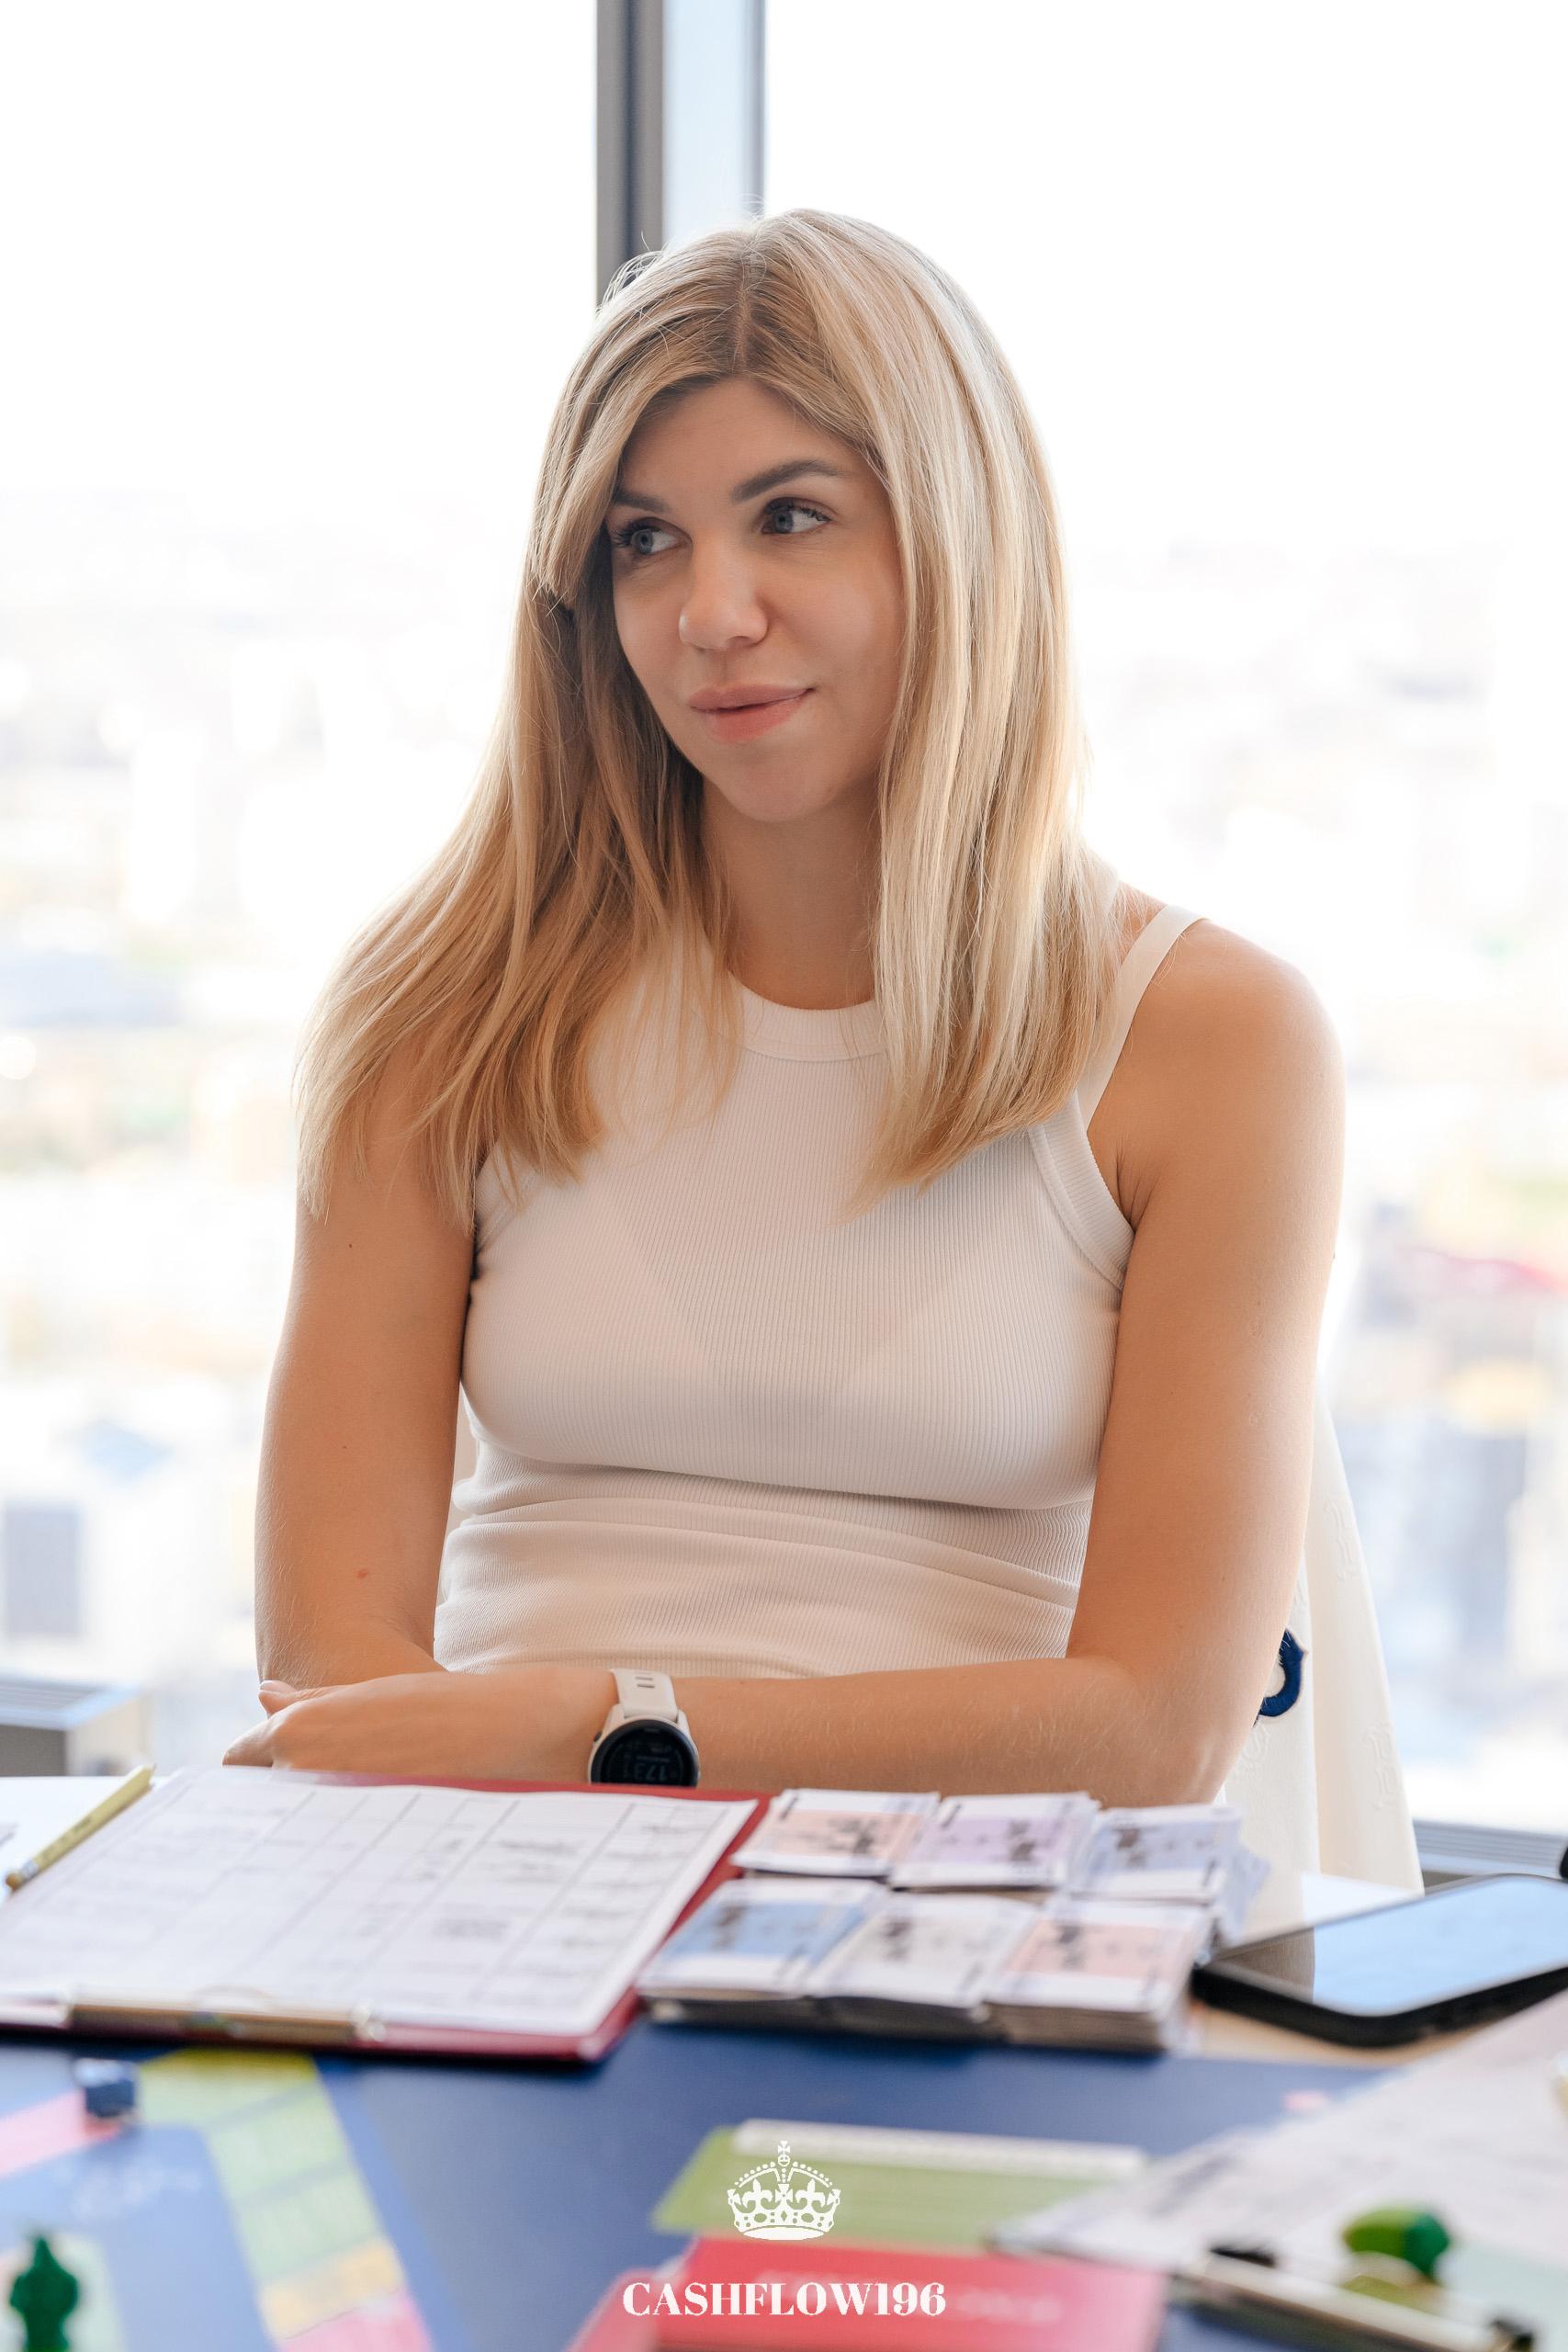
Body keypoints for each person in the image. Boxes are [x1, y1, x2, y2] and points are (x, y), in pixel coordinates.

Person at [223, 209, 1420, 1892]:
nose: (710, 613)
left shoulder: (1207, 1041)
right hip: (497, 1895)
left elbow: (1157, 1731)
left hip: (967, 1915)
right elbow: (337, 1686)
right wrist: (556, 1801)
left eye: (790, 516)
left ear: (954, 544)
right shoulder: (446, 1012)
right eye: (645, 541)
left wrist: (613, 1731)